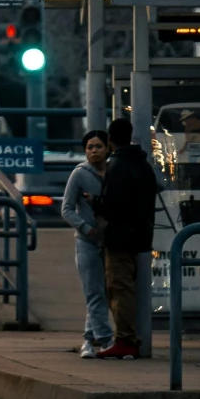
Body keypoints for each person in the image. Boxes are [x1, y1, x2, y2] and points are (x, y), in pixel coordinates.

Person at [94, 118, 159, 360]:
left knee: (119, 287)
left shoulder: (117, 165)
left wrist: (94, 201)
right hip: (140, 233)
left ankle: (125, 339)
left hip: (120, 236)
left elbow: (112, 204)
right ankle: (127, 337)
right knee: (127, 287)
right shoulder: (142, 164)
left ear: (110, 140)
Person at [62, 130, 115, 359]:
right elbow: (66, 209)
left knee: (102, 292)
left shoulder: (114, 172)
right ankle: (106, 340)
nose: (94, 151)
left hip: (111, 240)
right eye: (90, 147)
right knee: (94, 292)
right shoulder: (79, 174)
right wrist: (85, 227)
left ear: (107, 148)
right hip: (86, 242)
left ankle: (88, 340)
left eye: (98, 146)